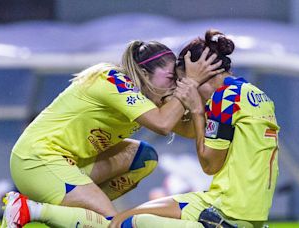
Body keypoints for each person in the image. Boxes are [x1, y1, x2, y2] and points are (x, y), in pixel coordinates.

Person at [1, 40, 223, 228]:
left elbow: (188, 130)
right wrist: (191, 82)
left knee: (144, 159)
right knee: (113, 223)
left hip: (70, 164)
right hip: (38, 160)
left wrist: (200, 106)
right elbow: (163, 124)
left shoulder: (147, 96)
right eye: (170, 78)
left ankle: (81, 215)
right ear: (144, 74)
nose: (175, 86)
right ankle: (29, 209)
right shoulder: (112, 79)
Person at [109, 29, 280, 228]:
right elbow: (194, 132)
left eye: (183, 81)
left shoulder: (223, 99)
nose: (184, 89)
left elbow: (210, 165)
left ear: (204, 74)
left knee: (128, 223)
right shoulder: (253, 94)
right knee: (127, 214)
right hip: (245, 212)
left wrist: (197, 111)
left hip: (225, 211)